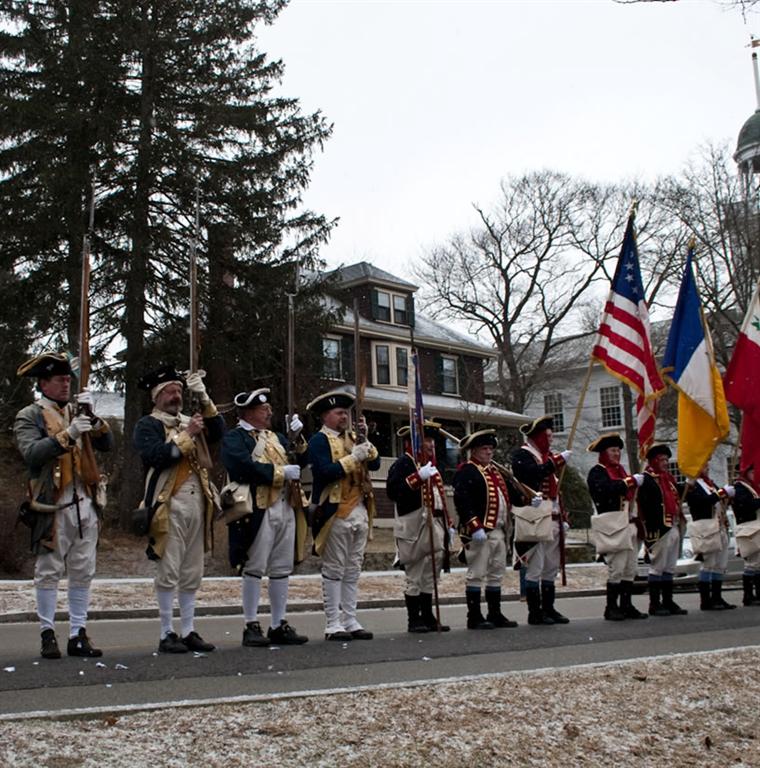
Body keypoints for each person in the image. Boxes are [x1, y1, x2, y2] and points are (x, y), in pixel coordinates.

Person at [14, 352, 113, 659]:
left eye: (68, 379)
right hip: (52, 503)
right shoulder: (30, 415)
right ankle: (47, 632)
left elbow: (107, 444)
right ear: (44, 383)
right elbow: (32, 453)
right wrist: (67, 435)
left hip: (85, 500)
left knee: (83, 570)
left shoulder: (78, 411)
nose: (66, 384)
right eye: (59, 380)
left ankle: (77, 633)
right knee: (49, 570)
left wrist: (93, 418)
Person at [133, 365, 225, 654]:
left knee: (192, 571)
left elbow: (218, 431)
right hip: (168, 504)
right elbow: (157, 456)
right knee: (169, 570)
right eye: (170, 392)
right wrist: (187, 435)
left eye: (179, 391)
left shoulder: (190, 420)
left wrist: (203, 395)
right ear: (157, 396)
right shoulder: (149, 424)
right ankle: (166, 632)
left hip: (198, 503)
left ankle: (188, 629)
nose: (176, 396)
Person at [220, 389, 309, 647]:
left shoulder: (276, 437)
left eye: (268, 408)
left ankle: (278, 623)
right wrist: (280, 473)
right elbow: (241, 467)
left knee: (281, 567)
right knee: (254, 567)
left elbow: (301, 461)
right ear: (248, 412)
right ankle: (251, 624)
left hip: (284, 505)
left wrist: (298, 438)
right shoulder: (236, 438)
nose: (269, 412)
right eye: (263, 409)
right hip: (258, 508)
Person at [307, 390, 381, 641]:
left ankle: (350, 619)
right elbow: (325, 472)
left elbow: (375, 464)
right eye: (339, 413)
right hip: (335, 510)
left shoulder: (354, 438)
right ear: (325, 416)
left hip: (359, 508)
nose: (344, 417)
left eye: (346, 413)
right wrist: (353, 458)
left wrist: (366, 441)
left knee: (353, 569)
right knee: (334, 568)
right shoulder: (319, 441)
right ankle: (333, 622)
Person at [386, 420, 454, 633]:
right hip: (414, 525)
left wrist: (448, 523)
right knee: (415, 573)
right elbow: (394, 492)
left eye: (432, 440)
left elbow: (439, 497)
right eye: (426, 440)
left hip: (435, 524)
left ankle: (427, 615)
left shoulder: (431, 465)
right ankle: (414, 619)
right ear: (413, 442)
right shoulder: (403, 464)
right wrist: (417, 478)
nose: (431, 444)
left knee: (430, 573)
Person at [453, 429, 518, 630]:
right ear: (474, 451)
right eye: (484, 449)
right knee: (477, 573)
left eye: (491, 449)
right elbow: (463, 501)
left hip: (499, 531)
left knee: (496, 573)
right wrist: (474, 526)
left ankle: (494, 613)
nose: (489, 452)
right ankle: (474, 616)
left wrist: (528, 499)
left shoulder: (495, 472)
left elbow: (510, 495)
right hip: (480, 532)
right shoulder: (467, 471)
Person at [511, 416, 571, 626]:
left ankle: (549, 608)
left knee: (551, 567)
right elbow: (530, 476)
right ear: (538, 437)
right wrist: (555, 463)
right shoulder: (523, 455)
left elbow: (556, 493)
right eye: (548, 436)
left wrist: (562, 516)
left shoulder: (547, 457)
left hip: (552, 518)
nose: (551, 440)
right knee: (536, 566)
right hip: (535, 519)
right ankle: (535, 612)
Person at [586, 433, 647, 621]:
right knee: (617, 568)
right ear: (604, 453)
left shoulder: (621, 471)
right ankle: (611, 607)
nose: (617, 454)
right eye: (613, 450)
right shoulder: (597, 472)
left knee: (630, 568)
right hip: (613, 526)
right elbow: (606, 490)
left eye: (618, 450)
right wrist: (630, 482)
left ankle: (626, 605)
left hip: (629, 524)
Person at [637, 443, 688, 617]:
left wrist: (689, 484)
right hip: (659, 528)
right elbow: (646, 504)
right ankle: (654, 603)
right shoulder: (647, 479)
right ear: (653, 461)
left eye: (667, 460)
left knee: (670, 567)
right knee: (657, 566)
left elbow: (679, 494)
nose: (665, 463)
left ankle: (668, 600)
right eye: (662, 460)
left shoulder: (668, 479)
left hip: (673, 525)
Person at [686, 467, 735, 611]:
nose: (706, 467)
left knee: (720, 564)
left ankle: (717, 597)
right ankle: (706, 600)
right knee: (708, 564)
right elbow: (701, 502)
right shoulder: (692, 485)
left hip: (720, 526)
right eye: (703, 464)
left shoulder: (710, 484)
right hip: (706, 528)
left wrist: (727, 496)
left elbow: (720, 501)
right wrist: (721, 493)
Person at [733, 463, 760, 606]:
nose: (755, 474)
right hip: (748, 528)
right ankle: (748, 596)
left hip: (756, 527)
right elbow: (747, 504)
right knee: (751, 563)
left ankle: (757, 594)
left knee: (758, 563)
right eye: (752, 472)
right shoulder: (739, 487)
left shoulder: (753, 487)